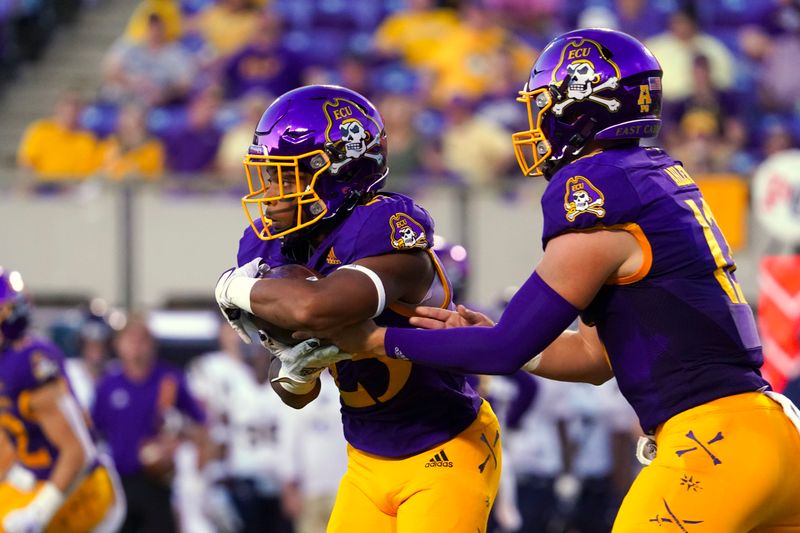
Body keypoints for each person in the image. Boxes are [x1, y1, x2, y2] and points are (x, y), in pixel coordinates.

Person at [294, 29, 800, 531]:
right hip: (765, 437)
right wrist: (493, 333)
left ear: (581, 107)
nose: (536, 122)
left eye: (543, 105)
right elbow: (593, 358)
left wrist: (379, 338)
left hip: (713, 443)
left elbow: (501, 352)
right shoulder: (650, 178)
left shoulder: (598, 188)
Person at [213, 84, 502, 532]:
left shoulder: (383, 226)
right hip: (366, 461)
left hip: (443, 449)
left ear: (337, 172)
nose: (270, 193)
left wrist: (232, 287)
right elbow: (293, 393)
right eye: (268, 176)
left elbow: (318, 308)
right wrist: (299, 368)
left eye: (285, 177)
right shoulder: (280, 246)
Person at [0, 267, 125, 533]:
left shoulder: (27, 362)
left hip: (81, 484)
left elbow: (76, 452)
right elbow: (7, 444)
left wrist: (37, 513)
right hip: (41, 478)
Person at [92, 314, 207, 533]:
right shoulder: (108, 384)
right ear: (118, 344)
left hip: (158, 481)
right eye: (130, 339)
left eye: (142, 339)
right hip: (118, 481)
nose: (136, 346)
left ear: (152, 344)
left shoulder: (169, 380)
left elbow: (200, 425)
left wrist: (176, 442)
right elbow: (94, 433)